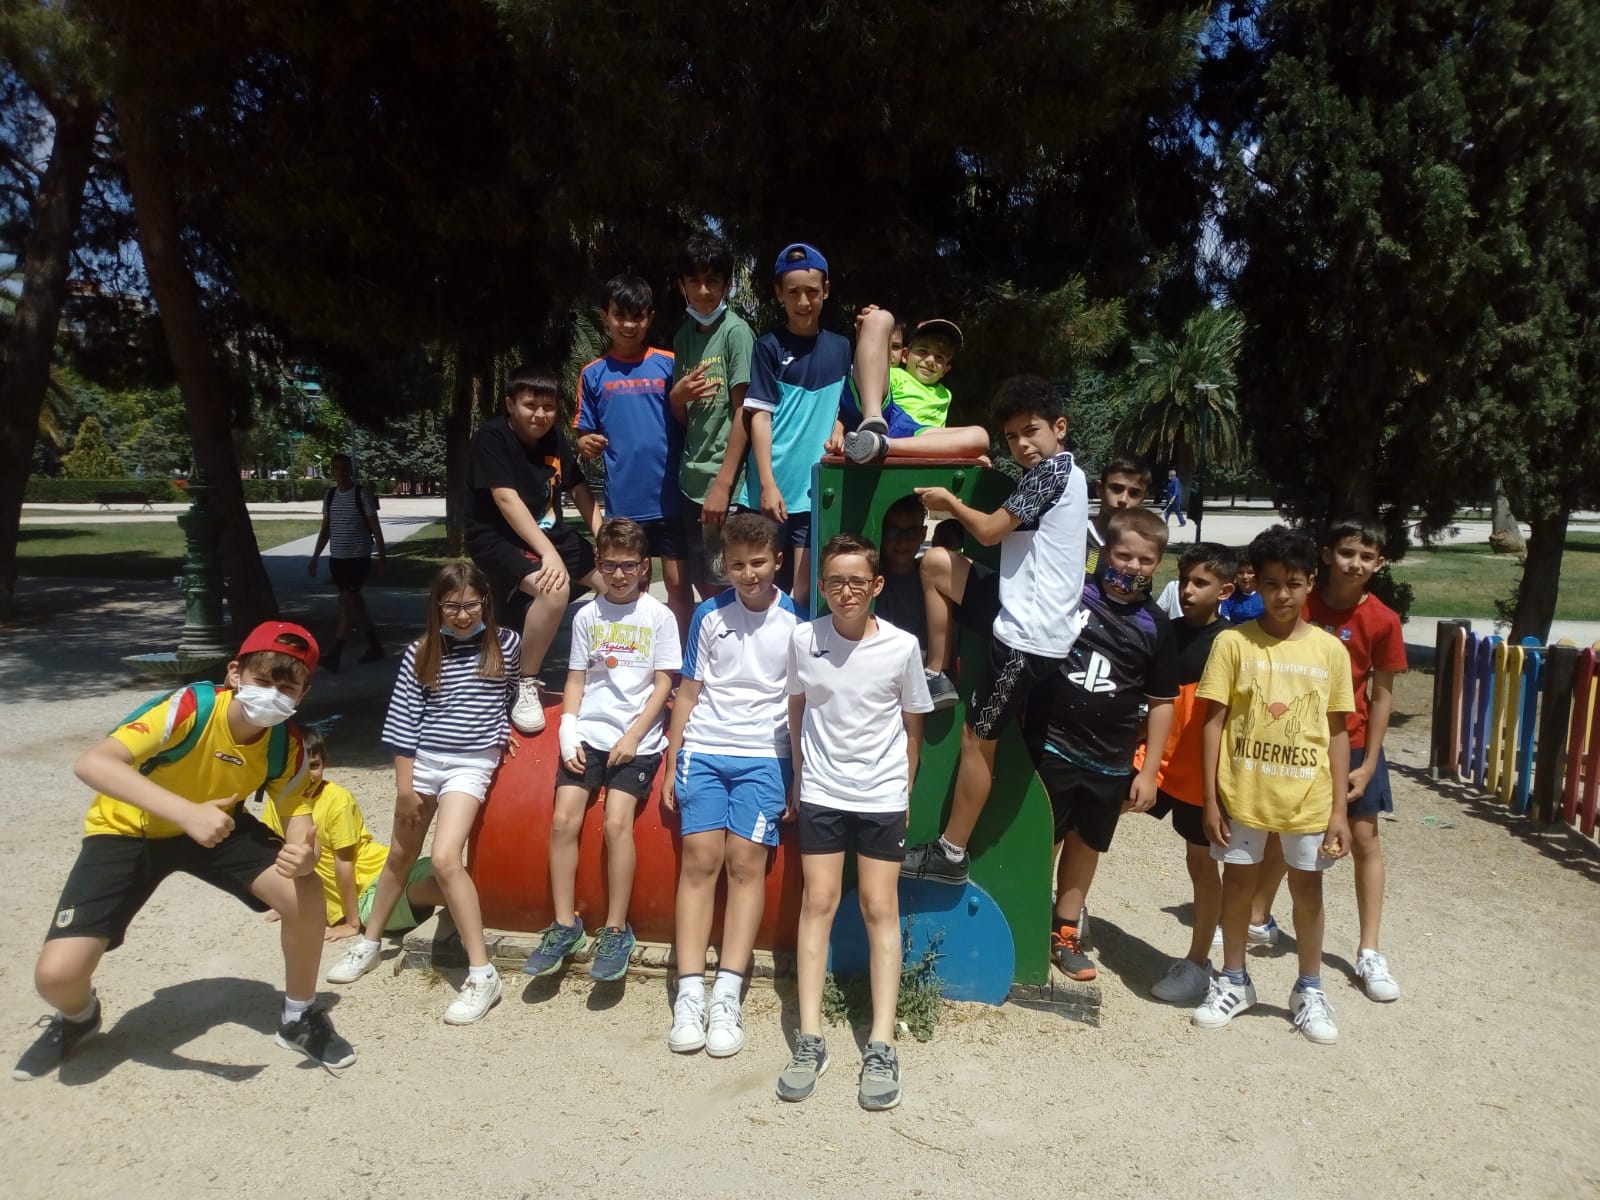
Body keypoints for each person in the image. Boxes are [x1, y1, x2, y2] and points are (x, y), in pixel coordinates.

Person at [14, 622, 357, 1080]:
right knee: (57, 976)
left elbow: (297, 810)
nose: (272, 695)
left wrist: (303, 852)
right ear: (234, 673)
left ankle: (299, 1016)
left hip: (218, 826)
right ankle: (78, 1017)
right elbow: (93, 763)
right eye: (262, 681)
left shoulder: (286, 742)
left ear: (303, 692)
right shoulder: (191, 707)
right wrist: (186, 813)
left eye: (286, 688)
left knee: (305, 890)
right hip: (128, 829)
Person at [899, 376, 1089, 885]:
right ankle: (937, 672)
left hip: (1027, 639)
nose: (1022, 445)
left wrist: (950, 502)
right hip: (1018, 605)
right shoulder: (1062, 473)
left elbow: (986, 531)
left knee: (976, 739)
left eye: (1031, 431)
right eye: (1012, 437)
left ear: (1059, 428)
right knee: (937, 565)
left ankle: (951, 852)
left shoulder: (1050, 473)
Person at [777, 534, 932, 1110]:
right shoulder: (803, 639)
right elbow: (796, 707)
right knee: (817, 902)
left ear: (877, 586)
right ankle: (810, 1039)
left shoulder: (902, 646)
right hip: (821, 789)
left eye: (858, 582)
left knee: (878, 906)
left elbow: (913, 723)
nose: (847, 592)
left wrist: (904, 788)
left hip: (880, 793)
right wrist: (799, 774)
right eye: (836, 582)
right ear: (821, 586)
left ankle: (882, 1043)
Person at [325, 562, 519, 1026]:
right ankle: (369, 942)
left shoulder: (505, 644)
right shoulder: (421, 651)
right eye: (451, 606)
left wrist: (506, 728)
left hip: (471, 764)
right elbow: (403, 723)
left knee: (447, 857)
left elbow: (513, 693)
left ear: (485, 603)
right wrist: (404, 788)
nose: (462, 615)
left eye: (470, 605)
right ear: (437, 606)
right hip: (425, 760)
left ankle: (482, 973)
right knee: (399, 855)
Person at [1193, 525, 1354, 1044]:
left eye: (1293, 583)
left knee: (1308, 891)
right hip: (1242, 793)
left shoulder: (1330, 651)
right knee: (1238, 886)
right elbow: (1213, 720)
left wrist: (1339, 812)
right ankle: (1233, 980)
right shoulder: (1233, 643)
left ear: (1310, 583)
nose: (1282, 595)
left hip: (1309, 798)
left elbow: (1337, 731)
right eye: (1270, 584)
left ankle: (1309, 989)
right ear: (1254, 582)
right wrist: (1210, 797)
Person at [1249, 516, 1407, 1002]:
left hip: (1351, 741)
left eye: (1366, 556)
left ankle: (1369, 950)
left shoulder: (1382, 619)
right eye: (1346, 552)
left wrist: (1369, 761)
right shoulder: (1299, 598)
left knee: (1365, 838)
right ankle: (1257, 917)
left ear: (1380, 563)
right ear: (1325, 555)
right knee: (1283, 829)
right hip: (1295, 737)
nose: (1355, 563)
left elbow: (1381, 695)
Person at [662, 513, 801, 1056]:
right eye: (737, 564)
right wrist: (673, 759)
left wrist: (798, 774)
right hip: (705, 749)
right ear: (725, 564)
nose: (748, 573)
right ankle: (689, 992)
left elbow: (798, 705)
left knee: (746, 864)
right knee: (699, 861)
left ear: (778, 562)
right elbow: (688, 692)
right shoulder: (708, 615)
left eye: (758, 562)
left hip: (766, 756)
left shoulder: (797, 622)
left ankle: (727, 993)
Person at [521, 518, 682, 983]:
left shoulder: (658, 617)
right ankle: (564, 924)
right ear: (598, 563)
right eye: (610, 565)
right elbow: (577, 677)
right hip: (589, 734)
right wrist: (567, 730)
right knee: (563, 819)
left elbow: (665, 683)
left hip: (639, 739)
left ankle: (615, 928)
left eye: (628, 565)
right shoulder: (587, 615)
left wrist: (634, 736)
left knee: (616, 822)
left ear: (644, 566)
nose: (619, 574)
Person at [1028, 507, 1177, 981]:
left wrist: (1149, 770)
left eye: (1145, 560)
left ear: (1158, 563)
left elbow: (1162, 703)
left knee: (1086, 844)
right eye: (1124, 555)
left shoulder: (1156, 626)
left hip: (1110, 762)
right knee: (1043, 838)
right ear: (1106, 552)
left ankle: (1065, 931)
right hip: (1052, 746)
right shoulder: (1073, 597)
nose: (1133, 566)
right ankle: (1027, 920)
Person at [465, 365, 603, 735]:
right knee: (554, 590)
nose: (540, 414)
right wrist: (548, 554)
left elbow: (579, 489)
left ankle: (605, 674)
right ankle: (524, 683)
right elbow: (506, 500)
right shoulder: (491, 437)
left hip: (548, 535)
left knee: (617, 582)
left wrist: (604, 540)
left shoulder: (554, 438)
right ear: (510, 404)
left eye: (549, 407)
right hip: (496, 537)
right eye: (530, 405)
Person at [1139, 543, 1237, 1003]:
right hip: (1152, 757)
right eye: (1185, 580)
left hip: (1199, 771)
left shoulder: (1233, 643)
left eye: (1201, 582)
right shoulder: (1164, 630)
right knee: (1084, 819)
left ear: (1225, 591)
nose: (1188, 591)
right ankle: (1063, 916)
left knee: (1201, 862)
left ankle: (1198, 963)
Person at [575, 274, 693, 641]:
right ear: (605, 317)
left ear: (650, 317)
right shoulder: (592, 374)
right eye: (620, 315)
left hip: (671, 500)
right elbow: (584, 432)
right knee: (628, 589)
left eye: (637, 316)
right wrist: (586, 443)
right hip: (624, 506)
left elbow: (691, 420)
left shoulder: (670, 364)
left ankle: (679, 659)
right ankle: (634, 657)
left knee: (678, 586)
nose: (629, 325)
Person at [260, 728, 444, 941]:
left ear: (324, 764)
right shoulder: (279, 805)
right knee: (430, 888)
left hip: (386, 871)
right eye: (298, 769)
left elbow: (344, 863)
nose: (307, 776)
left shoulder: (337, 800)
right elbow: (280, 857)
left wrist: (351, 923)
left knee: (449, 871)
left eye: (314, 766)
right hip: (368, 898)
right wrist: (286, 901)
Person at [669, 233, 757, 602]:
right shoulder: (683, 338)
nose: (703, 291)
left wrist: (723, 484)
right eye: (694, 281)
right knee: (703, 584)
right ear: (682, 285)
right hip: (691, 482)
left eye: (713, 280)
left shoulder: (736, 332)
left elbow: (745, 411)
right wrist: (677, 397)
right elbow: (684, 416)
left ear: (727, 284)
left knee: (726, 586)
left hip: (725, 485)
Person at [833, 314, 990, 462]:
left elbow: (939, 437)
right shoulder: (894, 375)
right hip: (889, 418)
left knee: (980, 437)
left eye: (939, 357)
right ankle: (873, 422)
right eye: (923, 351)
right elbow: (865, 376)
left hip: (917, 436)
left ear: (945, 370)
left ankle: (880, 444)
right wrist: (837, 431)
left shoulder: (944, 395)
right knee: (880, 317)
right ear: (905, 355)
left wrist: (969, 453)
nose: (930, 361)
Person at [307, 453, 387, 671]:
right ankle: (375, 646)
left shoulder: (362, 494)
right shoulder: (330, 496)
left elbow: (376, 529)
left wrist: (382, 559)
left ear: (350, 470)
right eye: (336, 468)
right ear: (332, 471)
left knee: (345, 602)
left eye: (344, 467)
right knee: (355, 603)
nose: (340, 471)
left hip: (358, 559)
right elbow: (325, 530)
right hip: (338, 560)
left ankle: (335, 655)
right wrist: (314, 558)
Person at [873, 494, 930, 652]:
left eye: (911, 532)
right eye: (892, 532)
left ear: (923, 534)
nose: (902, 541)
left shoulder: (931, 577)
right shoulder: (871, 578)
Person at [1086, 452, 1152, 575]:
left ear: (1143, 498)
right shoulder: (1076, 537)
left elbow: (1141, 586)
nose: (1123, 499)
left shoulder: (1141, 550)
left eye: (1134, 493)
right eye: (1116, 489)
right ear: (1099, 489)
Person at [1219, 556, 1264, 624]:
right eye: (1240, 573)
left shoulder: (1267, 593)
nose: (1245, 577)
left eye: (1250, 572)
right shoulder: (1227, 597)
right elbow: (1224, 622)